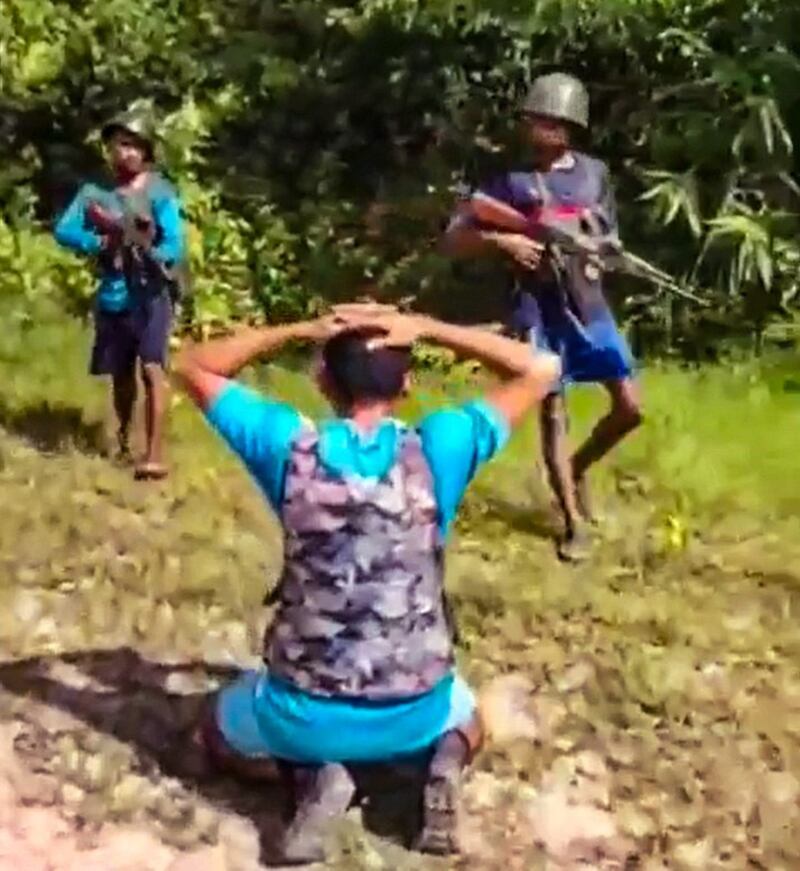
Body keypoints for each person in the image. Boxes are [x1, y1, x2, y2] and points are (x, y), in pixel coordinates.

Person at [175, 303, 560, 863]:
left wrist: (301, 330)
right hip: (417, 706)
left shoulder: (288, 446)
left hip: (302, 708)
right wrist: (430, 325)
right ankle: (441, 762)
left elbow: (193, 366)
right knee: (471, 717)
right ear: (406, 385)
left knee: (215, 729)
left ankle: (313, 775)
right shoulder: (440, 446)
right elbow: (542, 369)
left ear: (322, 380)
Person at [443, 72, 643, 562]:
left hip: (588, 301)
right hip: (536, 306)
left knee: (630, 408)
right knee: (553, 413)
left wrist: (603, 249)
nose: (539, 130)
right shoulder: (509, 180)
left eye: (550, 122)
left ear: (569, 127)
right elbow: (455, 236)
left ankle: (574, 470)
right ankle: (573, 522)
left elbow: (607, 234)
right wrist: (503, 240)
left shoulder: (593, 173)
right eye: (535, 121)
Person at [54, 105, 184, 479]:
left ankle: (154, 454)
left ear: (146, 150)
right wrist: (103, 241)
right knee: (121, 375)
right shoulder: (96, 193)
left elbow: (174, 243)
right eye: (117, 144)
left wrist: (148, 249)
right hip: (114, 294)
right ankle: (125, 441)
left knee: (153, 369)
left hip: (150, 294)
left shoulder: (160, 193)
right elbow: (65, 230)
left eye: (132, 144)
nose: (124, 152)